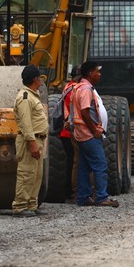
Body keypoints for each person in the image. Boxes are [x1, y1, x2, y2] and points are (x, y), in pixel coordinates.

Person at [71, 60, 119, 207]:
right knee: (100, 165)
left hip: (81, 134)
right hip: (89, 135)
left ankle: (83, 197)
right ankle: (102, 197)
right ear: (90, 73)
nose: (100, 74)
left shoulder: (79, 87)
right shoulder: (86, 89)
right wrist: (94, 130)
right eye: (97, 72)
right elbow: (85, 111)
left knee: (84, 167)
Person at [12, 65, 49, 217]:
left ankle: (32, 204)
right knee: (26, 173)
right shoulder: (25, 97)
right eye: (39, 78)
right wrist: (32, 142)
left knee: (36, 175)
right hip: (30, 141)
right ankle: (20, 206)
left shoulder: (33, 96)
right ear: (35, 79)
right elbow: (26, 122)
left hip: (37, 140)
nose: (41, 80)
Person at [58, 66, 81, 203]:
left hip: (65, 131)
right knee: (74, 163)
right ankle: (71, 191)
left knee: (70, 162)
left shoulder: (67, 87)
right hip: (71, 131)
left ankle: (69, 191)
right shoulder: (75, 89)